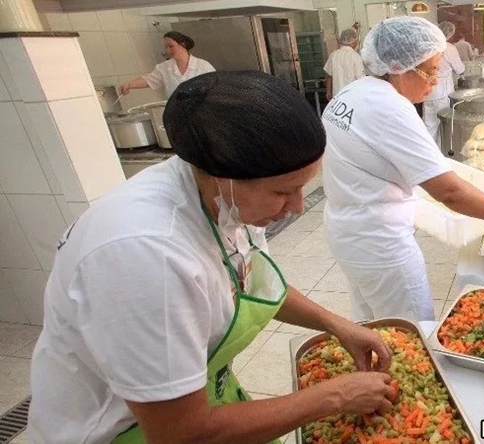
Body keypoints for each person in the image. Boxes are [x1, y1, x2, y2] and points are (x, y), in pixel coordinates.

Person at [28, 71, 396, 444]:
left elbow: (250, 280)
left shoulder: (224, 198)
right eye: (284, 192)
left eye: (303, 188)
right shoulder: (146, 256)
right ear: (225, 177)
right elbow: (180, 433)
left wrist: (335, 324)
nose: (298, 207)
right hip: (123, 431)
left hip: (200, 395)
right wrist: (333, 396)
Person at [321, 17, 484, 323]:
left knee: (371, 324)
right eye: (429, 71)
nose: (436, 79)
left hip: (347, 235)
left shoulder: (352, 93)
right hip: (382, 246)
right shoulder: (391, 108)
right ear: (399, 66)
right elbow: (450, 192)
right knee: (412, 333)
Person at [119, 31, 215, 99]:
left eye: (171, 46)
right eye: (166, 47)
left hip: (201, 112)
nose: (169, 50)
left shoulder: (203, 66)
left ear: (182, 44)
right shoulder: (164, 68)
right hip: (176, 114)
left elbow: (217, 88)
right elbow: (149, 80)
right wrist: (129, 84)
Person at [422, 21, 465, 145]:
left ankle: (429, 153)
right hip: (443, 94)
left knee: (429, 126)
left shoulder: (427, 47)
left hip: (427, 93)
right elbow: (460, 69)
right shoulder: (449, 48)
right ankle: (442, 156)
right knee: (444, 126)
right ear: (450, 33)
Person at [323, 28, 365, 101]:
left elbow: (329, 76)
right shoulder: (355, 57)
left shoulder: (333, 55)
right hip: (352, 97)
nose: (357, 43)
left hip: (337, 97)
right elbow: (361, 79)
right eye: (356, 41)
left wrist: (328, 92)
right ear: (352, 42)